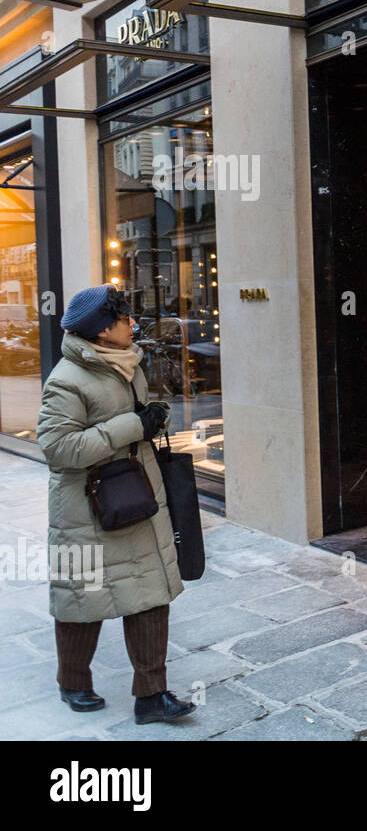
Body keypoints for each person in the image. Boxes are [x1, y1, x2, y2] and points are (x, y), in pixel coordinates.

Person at [37, 284, 196, 725]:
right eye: (125, 319)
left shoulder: (128, 365)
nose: (133, 324)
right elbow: (58, 449)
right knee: (84, 597)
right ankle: (72, 680)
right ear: (103, 331)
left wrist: (150, 419)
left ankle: (152, 695)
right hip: (86, 506)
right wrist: (131, 425)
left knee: (149, 592)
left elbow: (131, 423)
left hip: (135, 493)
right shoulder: (67, 380)